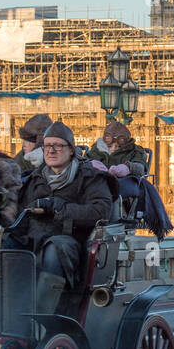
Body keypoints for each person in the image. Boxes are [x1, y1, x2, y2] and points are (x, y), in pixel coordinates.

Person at [15, 120, 115, 312]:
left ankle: (41, 317)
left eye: (58, 146)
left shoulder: (90, 177)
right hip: (33, 240)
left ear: (71, 150)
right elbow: (19, 215)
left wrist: (61, 209)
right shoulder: (33, 180)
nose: (51, 151)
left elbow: (101, 211)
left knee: (54, 249)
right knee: (4, 248)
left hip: (72, 244)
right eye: (47, 146)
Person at [85, 120, 150, 179]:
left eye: (118, 146)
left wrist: (128, 167)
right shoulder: (97, 150)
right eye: (109, 146)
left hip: (124, 184)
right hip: (98, 184)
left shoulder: (135, 151)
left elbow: (140, 167)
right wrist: (91, 164)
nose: (113, 149)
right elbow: (83, 162)